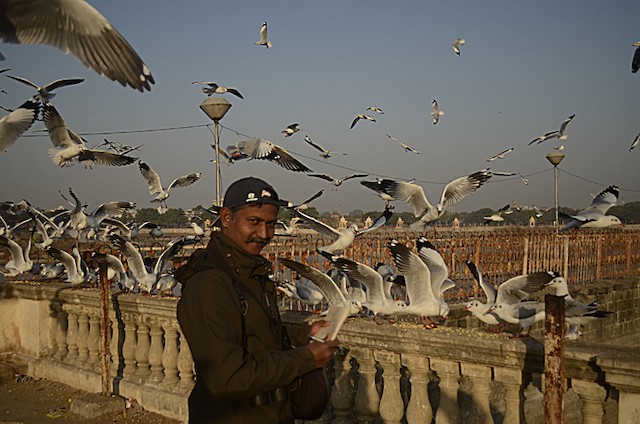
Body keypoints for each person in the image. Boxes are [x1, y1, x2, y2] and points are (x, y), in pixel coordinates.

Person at [177, 176, 339, 424]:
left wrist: (302, 335)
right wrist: (306, 358)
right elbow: (227, 376)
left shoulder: (249, 271)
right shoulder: (210, 282)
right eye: (254, 222)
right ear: (227, 217)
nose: (264, 234)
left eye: (271, 224)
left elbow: (251, 329)